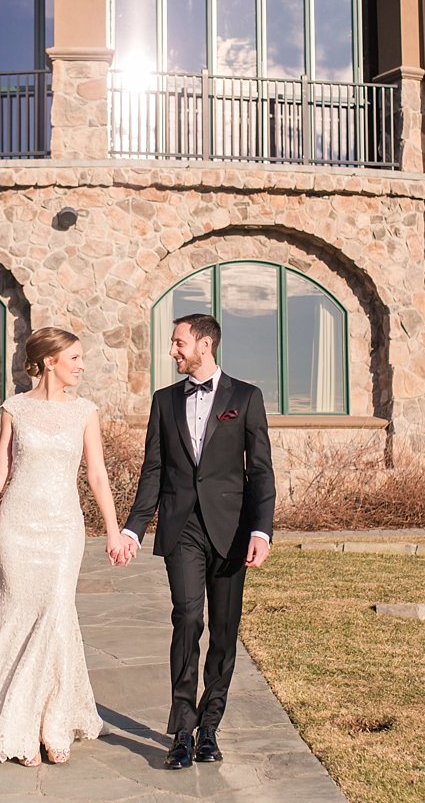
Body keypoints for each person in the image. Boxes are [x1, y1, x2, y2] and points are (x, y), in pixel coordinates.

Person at [118, 313, 276, 770]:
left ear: (205, 345)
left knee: (224, 631)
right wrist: (134, 527)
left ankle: (211, 727)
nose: (172, 351)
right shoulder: (164, 401)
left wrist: (261, 530)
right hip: (182, 526)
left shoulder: (246, 397)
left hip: (232, 531)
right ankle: (182, 730)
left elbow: (261, 470)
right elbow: (153, 469)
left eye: (178, 342)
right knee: (187, 618)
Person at [0, 327, 125, 766]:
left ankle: (53, 725)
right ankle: (17, 728)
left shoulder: (86, 412)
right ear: (49, 360)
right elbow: (0, 468)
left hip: (62, 530)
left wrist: (112, 529)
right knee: (16, 617)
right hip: (17, 527)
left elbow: (97, 476)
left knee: (55, 612)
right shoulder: (14, 409)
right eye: (75, 358)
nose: (82, 366)